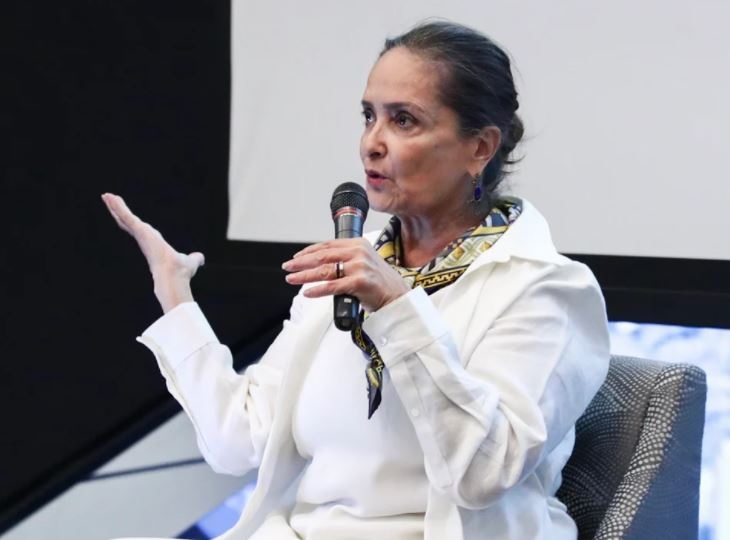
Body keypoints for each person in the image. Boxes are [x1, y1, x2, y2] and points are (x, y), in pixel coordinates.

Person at [103, 21, 609, 540]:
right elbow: (238, 442)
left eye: (404, 120)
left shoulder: (547, 289)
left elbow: (484, 473)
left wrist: (396, 306)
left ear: (479, 148)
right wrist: (175, 295)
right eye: (370, 116)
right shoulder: (350, 263)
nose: (371, 143)